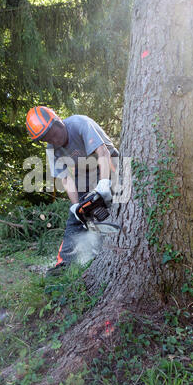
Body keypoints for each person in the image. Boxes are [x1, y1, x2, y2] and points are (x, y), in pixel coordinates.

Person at [25, 106, 119, 275]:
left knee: (110, 204)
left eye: (53, 132)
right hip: (84, 174)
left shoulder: (79, 123)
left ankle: (110, 244)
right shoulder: (51, 150)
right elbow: (66, 179)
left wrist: (104, 183)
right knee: (77, 217)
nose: (53, 139)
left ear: (58, 120)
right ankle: (64, 264)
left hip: (110, 165)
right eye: (47, 137)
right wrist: (76, 207)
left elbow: (103, 152)